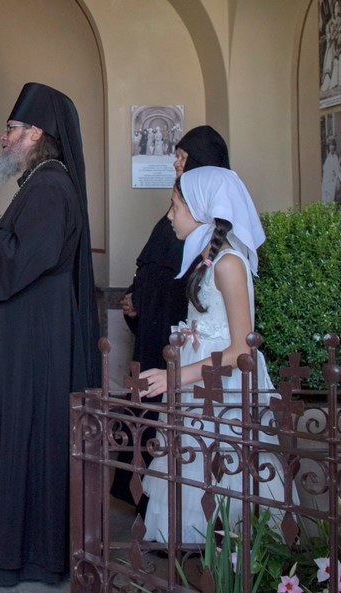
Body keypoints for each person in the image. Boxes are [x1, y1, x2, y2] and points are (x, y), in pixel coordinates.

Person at [0, 82, 100, 587]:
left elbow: (18, 259)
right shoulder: (40, 184)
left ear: (35, 133)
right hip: (25, 341)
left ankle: (19, 552)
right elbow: (22, 249)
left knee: (25, 441)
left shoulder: (50, 187)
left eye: (9, 129)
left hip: (33, 349)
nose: (2, 139)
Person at [138, 166, 289, 544]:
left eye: (175, 206)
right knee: (195, 468)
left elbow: (241, 349)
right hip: (202, 382)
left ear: (203, 209)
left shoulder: (229, 264)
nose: (170, 215)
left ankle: (224, 562)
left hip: (223, 389)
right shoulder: (208, 259)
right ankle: (200, 563)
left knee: (225, 473)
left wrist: (175, 376)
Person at [111, 125, 230, 508]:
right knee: (145, 410)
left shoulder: (209, 222)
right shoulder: (176, 212)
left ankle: (166, 510)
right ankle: (140, 497)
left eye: (181, 156)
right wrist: (136, 301)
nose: (175, 162)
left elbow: (192, 287)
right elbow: (152, 267)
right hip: (151, 332)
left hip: (178, 338)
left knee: (172, 423)